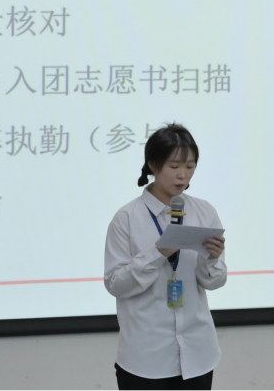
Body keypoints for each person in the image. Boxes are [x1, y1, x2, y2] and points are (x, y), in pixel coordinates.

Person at [105, 123, 227, 390]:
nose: (183, 174)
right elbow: (115, 284)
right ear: (153, 164)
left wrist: (211, 259)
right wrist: (158, 253)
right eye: (174, 166)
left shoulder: (204, 212)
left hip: (198, 354)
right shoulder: (127, 218)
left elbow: (215, 281)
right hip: (145, 358)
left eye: (190, 166)